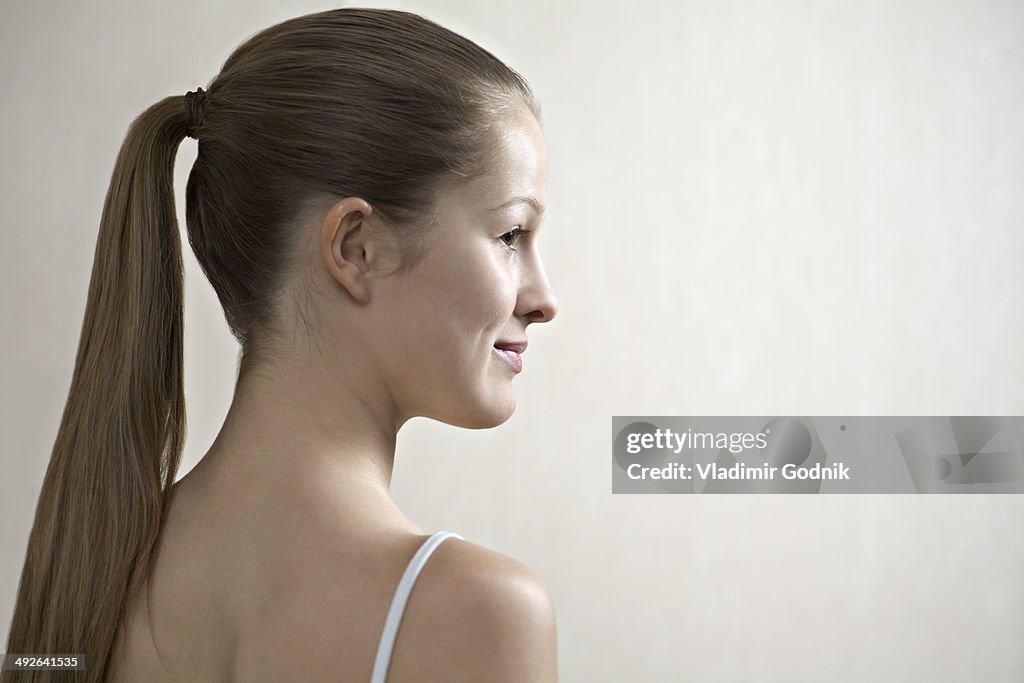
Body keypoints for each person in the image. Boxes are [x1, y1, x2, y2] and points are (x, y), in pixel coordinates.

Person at [3, 8, 558, 682]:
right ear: (356, 248)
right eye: (510, 235)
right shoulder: (476, 613)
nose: (542, 298)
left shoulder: (90, 578)